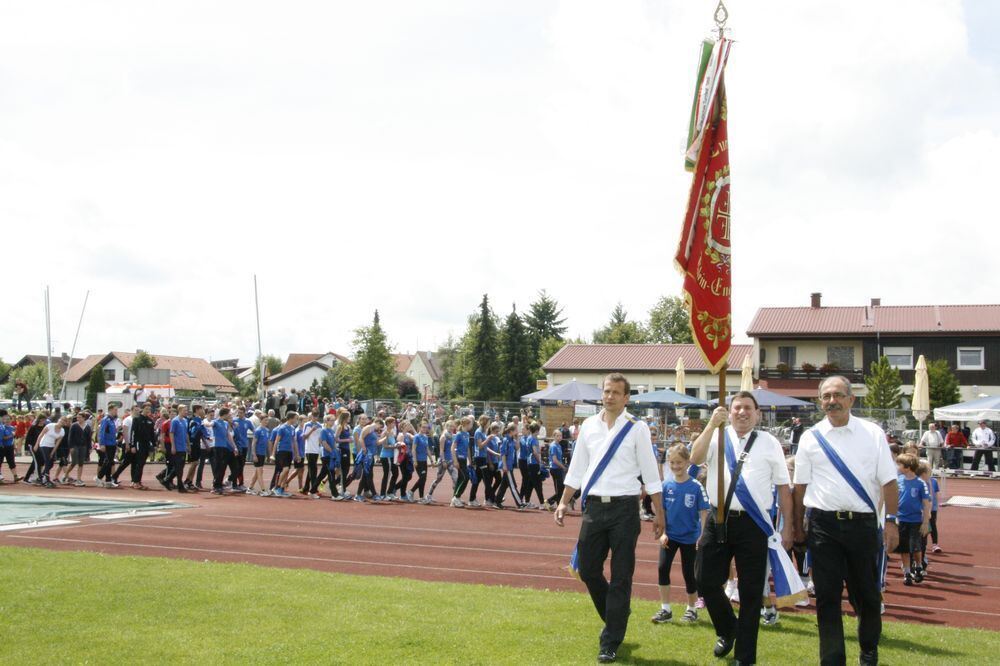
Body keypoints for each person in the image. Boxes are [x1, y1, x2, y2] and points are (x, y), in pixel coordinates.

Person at [554, 373, 664, 664]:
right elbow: (577, 469)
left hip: (625, 509)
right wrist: (564, 502)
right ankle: (617, 615)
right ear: (601, 394)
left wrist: (659, 514)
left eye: (617, 392)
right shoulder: (588, 426)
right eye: (607, 391)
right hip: (593, 507)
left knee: (621, 575)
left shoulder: (637, 428)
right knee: (588, 569)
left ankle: (610, 641)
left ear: (626, 398)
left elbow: (651, 475)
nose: (610, 396)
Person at [792, 376, 899, 666]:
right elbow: (800, 486)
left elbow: (889, 482)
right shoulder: (810, 437)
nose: (831, 401)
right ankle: (832, 659)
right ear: (819, 401)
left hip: (862, 526)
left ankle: (868, 649)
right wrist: (796, 526)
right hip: (823, 526)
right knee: (826, 597)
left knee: (866, 595)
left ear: (851, 399)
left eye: (838, 395)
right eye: (826, 396)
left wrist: (891, 521)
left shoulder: (872, 433)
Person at [689, 391, 793, 665]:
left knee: (750, 592)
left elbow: (783, 487)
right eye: (737, 408)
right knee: (705, 580)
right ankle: (728, 629)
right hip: (718, 518)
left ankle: (745, 656)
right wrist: (712, 425)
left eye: (748, 408)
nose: (742, 413)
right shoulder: (717, 435)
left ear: (758, 414)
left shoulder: (770, 443)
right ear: (729, 411)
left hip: (753, 524)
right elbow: (694, 458)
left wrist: (789, 527)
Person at [652, 444, 709, 625]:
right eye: (672, 463)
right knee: (662, 568)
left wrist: (702, 535)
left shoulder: (696, 486)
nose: (675, 466)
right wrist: (663, 533)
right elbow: (661, 512)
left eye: (679, 462)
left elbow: (704, 512)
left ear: (687, 462)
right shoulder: (666, 485)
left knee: (689, 573)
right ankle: (665, 609)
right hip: (670, 536)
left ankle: (691, 609)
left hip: (690, 538)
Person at [894, 453, 931, 585]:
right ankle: (907, 572)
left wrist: (926, 521)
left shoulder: (921, 483)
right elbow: (894, 499)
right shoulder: (898, 480)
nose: (897, 466)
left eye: (900, 464)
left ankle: (919, 565)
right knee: (903, 547)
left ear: (908, 467)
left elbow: (926, 503)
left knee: (915, 546)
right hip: (901, 519)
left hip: (915, 520)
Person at [97, 405, 119, 488]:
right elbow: (102, 432)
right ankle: (99, 477)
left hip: (112, 443)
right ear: (110, 410)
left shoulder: (112, 420)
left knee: (110, 462)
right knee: (108, 461)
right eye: (115, 410)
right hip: (107, 444)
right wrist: (102, 444)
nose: (116, 411)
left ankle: (108, 480)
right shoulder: (106, 419)